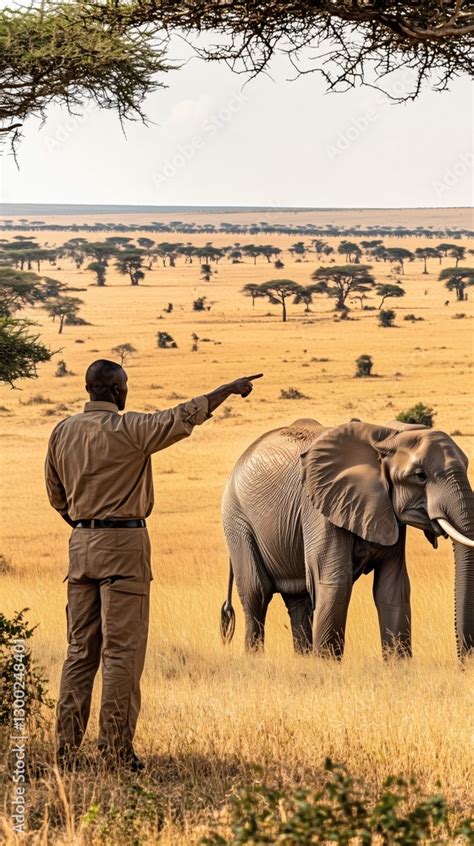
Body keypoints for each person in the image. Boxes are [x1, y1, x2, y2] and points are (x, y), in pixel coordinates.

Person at [45, 359, 262, 771]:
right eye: (123, 386)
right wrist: (227, 388)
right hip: (124, 544)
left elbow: (57, 496)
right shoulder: (130, 430)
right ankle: (114, 752)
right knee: (122, 653)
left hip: (80, 546)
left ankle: (65, 752)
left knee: (79, 651)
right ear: (114, 391)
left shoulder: (62, 432)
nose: (126, 392)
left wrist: (84, 524)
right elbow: (183, 416)